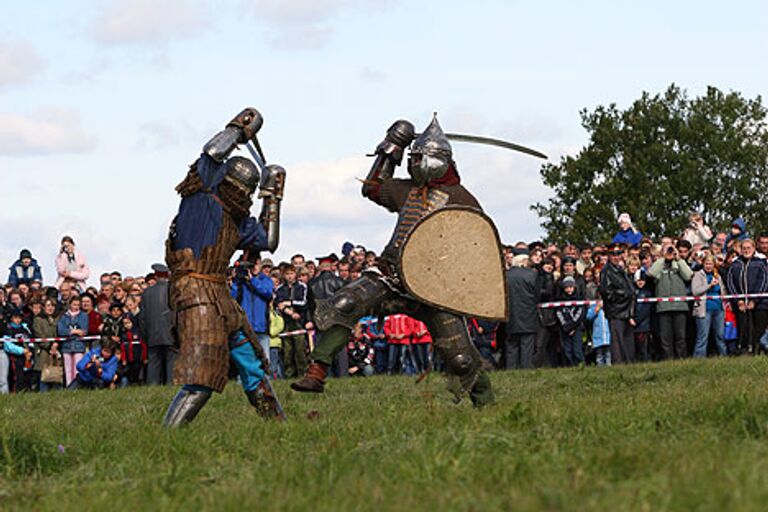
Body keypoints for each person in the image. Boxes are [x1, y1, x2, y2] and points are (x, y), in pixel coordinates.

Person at [291, 115, 495, 406]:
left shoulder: (461, 198)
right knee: (346, 303)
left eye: (420, 157)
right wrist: (392, 147)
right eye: (413, 157)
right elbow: (372, 187)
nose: (416, 162)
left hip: (433, 287)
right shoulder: (407, 190)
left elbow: (475, 244)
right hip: (392, 276)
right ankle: (317, 371)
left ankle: (487, 405)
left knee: (461, 358)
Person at [162, 108, 287, 426]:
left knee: (251, 362)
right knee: (202, 376)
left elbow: (269, 242)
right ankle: (165, 438)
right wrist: (240, 128)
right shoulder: (200, 192)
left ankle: (280, 428)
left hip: (220, 294)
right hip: (196, 292)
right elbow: (214, 151)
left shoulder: (239, 221)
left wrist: (273, 195)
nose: (243, 194)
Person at [648, 243, 693, 359]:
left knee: (680, 337)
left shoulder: (679, 263)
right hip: (663, 307)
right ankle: (668, 361)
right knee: (665, 338)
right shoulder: (659, 265)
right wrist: (663, 258)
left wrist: (678, 259)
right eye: (667, 249)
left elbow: (688, 275)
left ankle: (681, 360)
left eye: (671, 249)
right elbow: (651, 273)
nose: (669, 252)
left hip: (680, 307)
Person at [725, 239, 768, 355]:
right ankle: (744, 351)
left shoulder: (760, 263)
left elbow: (764, 282)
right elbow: (730, 283)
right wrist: (738, 300)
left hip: (760, 304)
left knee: (759, 329)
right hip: (741, 304)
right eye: (744, 248)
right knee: (743, 328)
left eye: (749, 248)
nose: (746, 250)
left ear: (754, 249)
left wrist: (754, 300)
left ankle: (757, 350)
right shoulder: (735, 265)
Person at [308, 255, 346, 377]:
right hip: (338, 322)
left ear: (320, 266)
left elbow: (310, 306)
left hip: (321, 323)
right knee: (340, 353)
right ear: (331, 266)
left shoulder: (312, 284)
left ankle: (324, 377)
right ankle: (343, 377)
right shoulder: (340, 282)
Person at [231, 259, 274, 363]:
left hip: (261, 327)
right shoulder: (241, 283)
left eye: (256, 264)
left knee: (264, 359)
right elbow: (232, 298)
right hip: (245, 327)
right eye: (251, 266)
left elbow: (267, 292)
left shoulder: (266, 280)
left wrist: (252, 280)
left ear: (260, 265)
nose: (253, 268)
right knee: (245, 360)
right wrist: (235, 280)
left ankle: (265, 379)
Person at [599, 243, 637, 364]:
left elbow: (630, 289)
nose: (616, 257)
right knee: (617, 342)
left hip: (625, 310)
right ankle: (619, 365)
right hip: (616, 310)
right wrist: (624, 294)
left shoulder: (620, 270)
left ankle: (628, 363)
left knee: (627, 342)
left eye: (618, 254)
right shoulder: (607, 271)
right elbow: (607, 292)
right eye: (613, 254)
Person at [141, 263, 176, 385]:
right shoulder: (174, 290)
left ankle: (152, 386)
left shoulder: (146, 293)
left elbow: (142, 318)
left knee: (154, 364)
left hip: (152, 334)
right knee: (171, 362)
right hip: (171, 333)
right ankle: (171, 385)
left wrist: (145, 334)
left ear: (156, 276)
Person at [274, 265, 310, 379]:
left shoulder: (302, 287)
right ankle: (289, 375)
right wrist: (289, 312)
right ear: (284, 275)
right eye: (287, 274)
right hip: (286, 323)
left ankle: (303, 374)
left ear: (296, 274)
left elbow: (303, 303)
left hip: (299, 323)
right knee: (287, 352)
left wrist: (290, 303)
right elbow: (278, 304)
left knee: (300, 351)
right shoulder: (279, 289)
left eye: (292, 273)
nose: (290, 276)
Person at [505, 254, 538, 369]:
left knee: (511, 346)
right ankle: (525, 369)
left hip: (511, 315)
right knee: (527, 346)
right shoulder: (532, 274)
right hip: (528, 314)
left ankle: (510, 369)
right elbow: (537, 295)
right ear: (523, 261)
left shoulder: (506, 275)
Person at [692, 255, 726, 357]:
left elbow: (723, 291)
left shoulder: (717, 276)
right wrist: (709, 285)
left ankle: (724, 357)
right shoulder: (698, 275)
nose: (709, 266)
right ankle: (699, 358)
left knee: (720, 336)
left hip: (719, 309)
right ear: (703, 264)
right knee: (703, 336)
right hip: (704, 309)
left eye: (711, 264)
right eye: (706, 263)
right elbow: (695, 291)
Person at [57, 296, 89, 386]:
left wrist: (71, 332)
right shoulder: (64, 316)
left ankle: (76, 386)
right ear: (70, 304)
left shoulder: (83, 316)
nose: (76, 307)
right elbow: (61, 331)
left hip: (78, 345)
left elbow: (84, 331)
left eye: (78, 305)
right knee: (68, 369)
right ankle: (69, 386)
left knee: (77, 368)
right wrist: (74, 331)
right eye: (74, 304)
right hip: (66, 346)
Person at [555, 276, 586, 366]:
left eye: (571, 287)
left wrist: (573, 326)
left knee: (577, 350)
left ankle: (581, 366)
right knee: (567, 350)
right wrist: (566, 326)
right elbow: (559, 313)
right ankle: (570, 366)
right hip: (565, 329)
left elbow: (580, 314)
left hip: (577, 328)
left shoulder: (579, 299)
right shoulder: (560, 300)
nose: (569, 289)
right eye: (566, 287)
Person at [586, 298, 611, 366]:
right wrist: (596, 310)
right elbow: (588, 316)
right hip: (598, 336)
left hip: (608, 336)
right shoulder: (593, 305)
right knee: (599, 356)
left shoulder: (609, 305)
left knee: (608, 355)